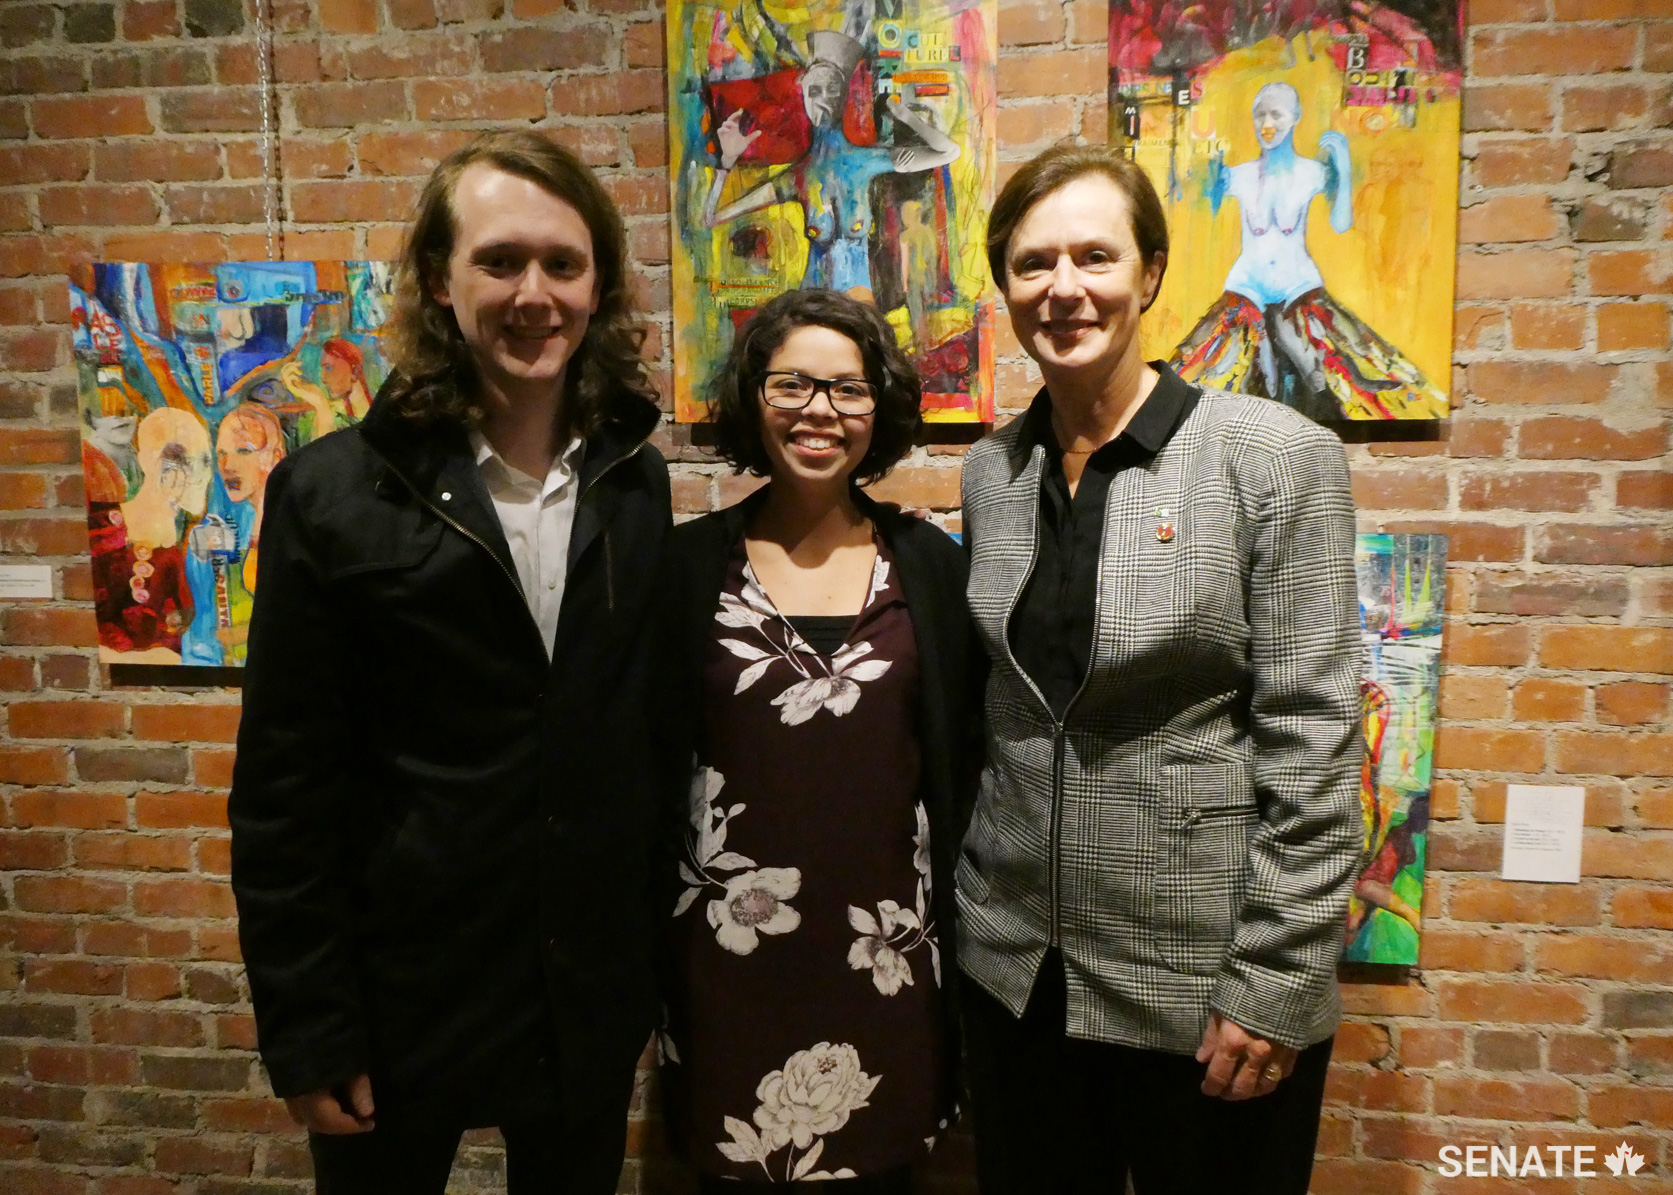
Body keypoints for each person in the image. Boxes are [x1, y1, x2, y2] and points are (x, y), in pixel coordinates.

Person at [228, 130, 670, 1195]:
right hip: (398, 997)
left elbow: (633, 738)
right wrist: (309, 1026)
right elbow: (285, 787)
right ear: (438, 277)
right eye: (499, 260)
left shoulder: (633, 480)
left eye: (562, 264)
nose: (535, 293)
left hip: (579, 1000)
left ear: (598, 282)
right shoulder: (331, 492)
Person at [956, 140, 1363, 1194]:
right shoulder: (990, 471)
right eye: (1031, 262)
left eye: (1093, 255)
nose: (1062, 287)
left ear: (1149, 272)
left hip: (1203, 990)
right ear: (1003, 283)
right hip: (1016, 975)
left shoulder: (1270, 457)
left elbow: (1313, 738)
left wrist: (1271, 983)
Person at [657, 289, 975, 1190]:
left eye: (849, 389)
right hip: (724, 961)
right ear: (752, 399)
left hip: (888, 961)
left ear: (881, 409)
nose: (819, 411)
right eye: (792, 384)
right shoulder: (685, 568)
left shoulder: (929, 567)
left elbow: (959, 763)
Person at [1170, 80, 1446, 420]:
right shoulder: (1237, 176)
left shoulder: (1312, 173)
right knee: (1217, 384)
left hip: (1298, 289)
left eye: (1276, 114)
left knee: (1327, 379)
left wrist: (1343, 169)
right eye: (1259, 115)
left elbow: (1342, 223)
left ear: (1295, 118)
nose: (1266, 124)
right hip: (1246, 290)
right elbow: (1188, 194)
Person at [701, 1, 960, 301]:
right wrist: (727, 162)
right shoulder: (797, 178)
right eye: (815, 90)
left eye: (832, 89)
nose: (823, 99)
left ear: (843, 97)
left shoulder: (867, 162)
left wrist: (905, 116)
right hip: (811, 310)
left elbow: (948, 152)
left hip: (858, 313)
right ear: (805, 98)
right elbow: (710, 218)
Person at [88, 405, 212, 663]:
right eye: (181, 459)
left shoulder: (180, 554)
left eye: (205, 460)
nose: (203, 475)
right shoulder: (103, 530)